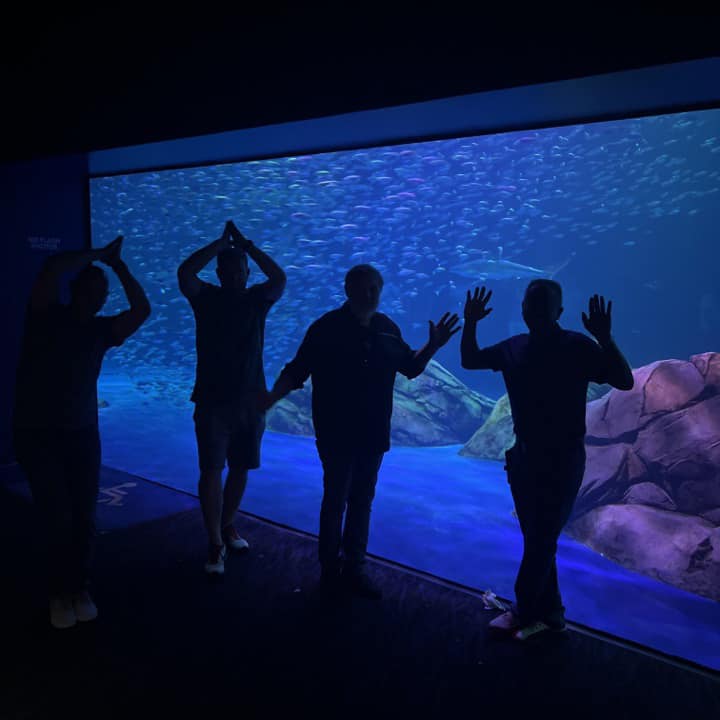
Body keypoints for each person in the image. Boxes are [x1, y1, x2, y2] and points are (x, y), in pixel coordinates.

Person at [260, 264, 460, 600]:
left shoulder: (386, 329)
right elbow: (297, 371)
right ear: (348, 290)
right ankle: (329, 570)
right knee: (335, 499)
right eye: (364, 288)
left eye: (375, 289)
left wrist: (434, 345)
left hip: (372, 433)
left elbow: (410, 366)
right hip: (336, 431)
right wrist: (267, 401)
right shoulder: (326, 329)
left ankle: (355, 568)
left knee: (362, 501)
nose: (370, 295)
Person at [461, 281, 634, 640]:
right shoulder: (520, 346)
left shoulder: (575, 346)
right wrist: (471, 322)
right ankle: (552, 614)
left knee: (540, 540)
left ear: (557, 311)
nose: (535, 311)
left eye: (542, 305)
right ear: (524, 310)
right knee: (537, 538)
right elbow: (470, 360)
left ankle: (524, 611)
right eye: (532, 304)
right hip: (524, 457)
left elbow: (624, 380)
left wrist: (605, 338)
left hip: (561, 459)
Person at [13, 236, 151, 629]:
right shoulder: (44, 315)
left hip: (81, 434)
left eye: (103, 291)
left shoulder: (101, 331)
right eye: (92, 288)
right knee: (56, 515)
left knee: (84, 517)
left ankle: (79, 586)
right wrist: (100, 256)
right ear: (75, 289)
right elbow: (52, 268)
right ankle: (59, 592)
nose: (99, 296)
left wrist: (118, 267)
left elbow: (142, 309)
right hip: (36, 434)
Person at [178, 220, 286, 575]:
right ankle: (214, 542)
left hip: (251, 401)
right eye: (228, 269)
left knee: (240, 468)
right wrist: (219, 242)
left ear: (246, 272)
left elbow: (279, 278)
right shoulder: (204, 298)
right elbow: (185, 271)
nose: (234, 275)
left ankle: (226, 525)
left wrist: (247, 245)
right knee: (211, 470)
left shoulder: (258, 300)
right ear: (219, 272)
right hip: (211, 400)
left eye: (240, 270)